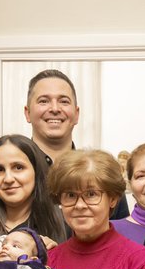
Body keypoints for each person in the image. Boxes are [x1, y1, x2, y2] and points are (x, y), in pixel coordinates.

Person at [24, 69, 128, 220]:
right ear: (27, 113)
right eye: (44, 101)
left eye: (64, 101)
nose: (55, 109)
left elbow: (119, 232)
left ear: (76, 113)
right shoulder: (11, 176)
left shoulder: (104, 173)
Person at [0, 133, 68, 244]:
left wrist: (55, 252)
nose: (8, 179)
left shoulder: (66, 222)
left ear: (36, 171)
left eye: (18, 167)